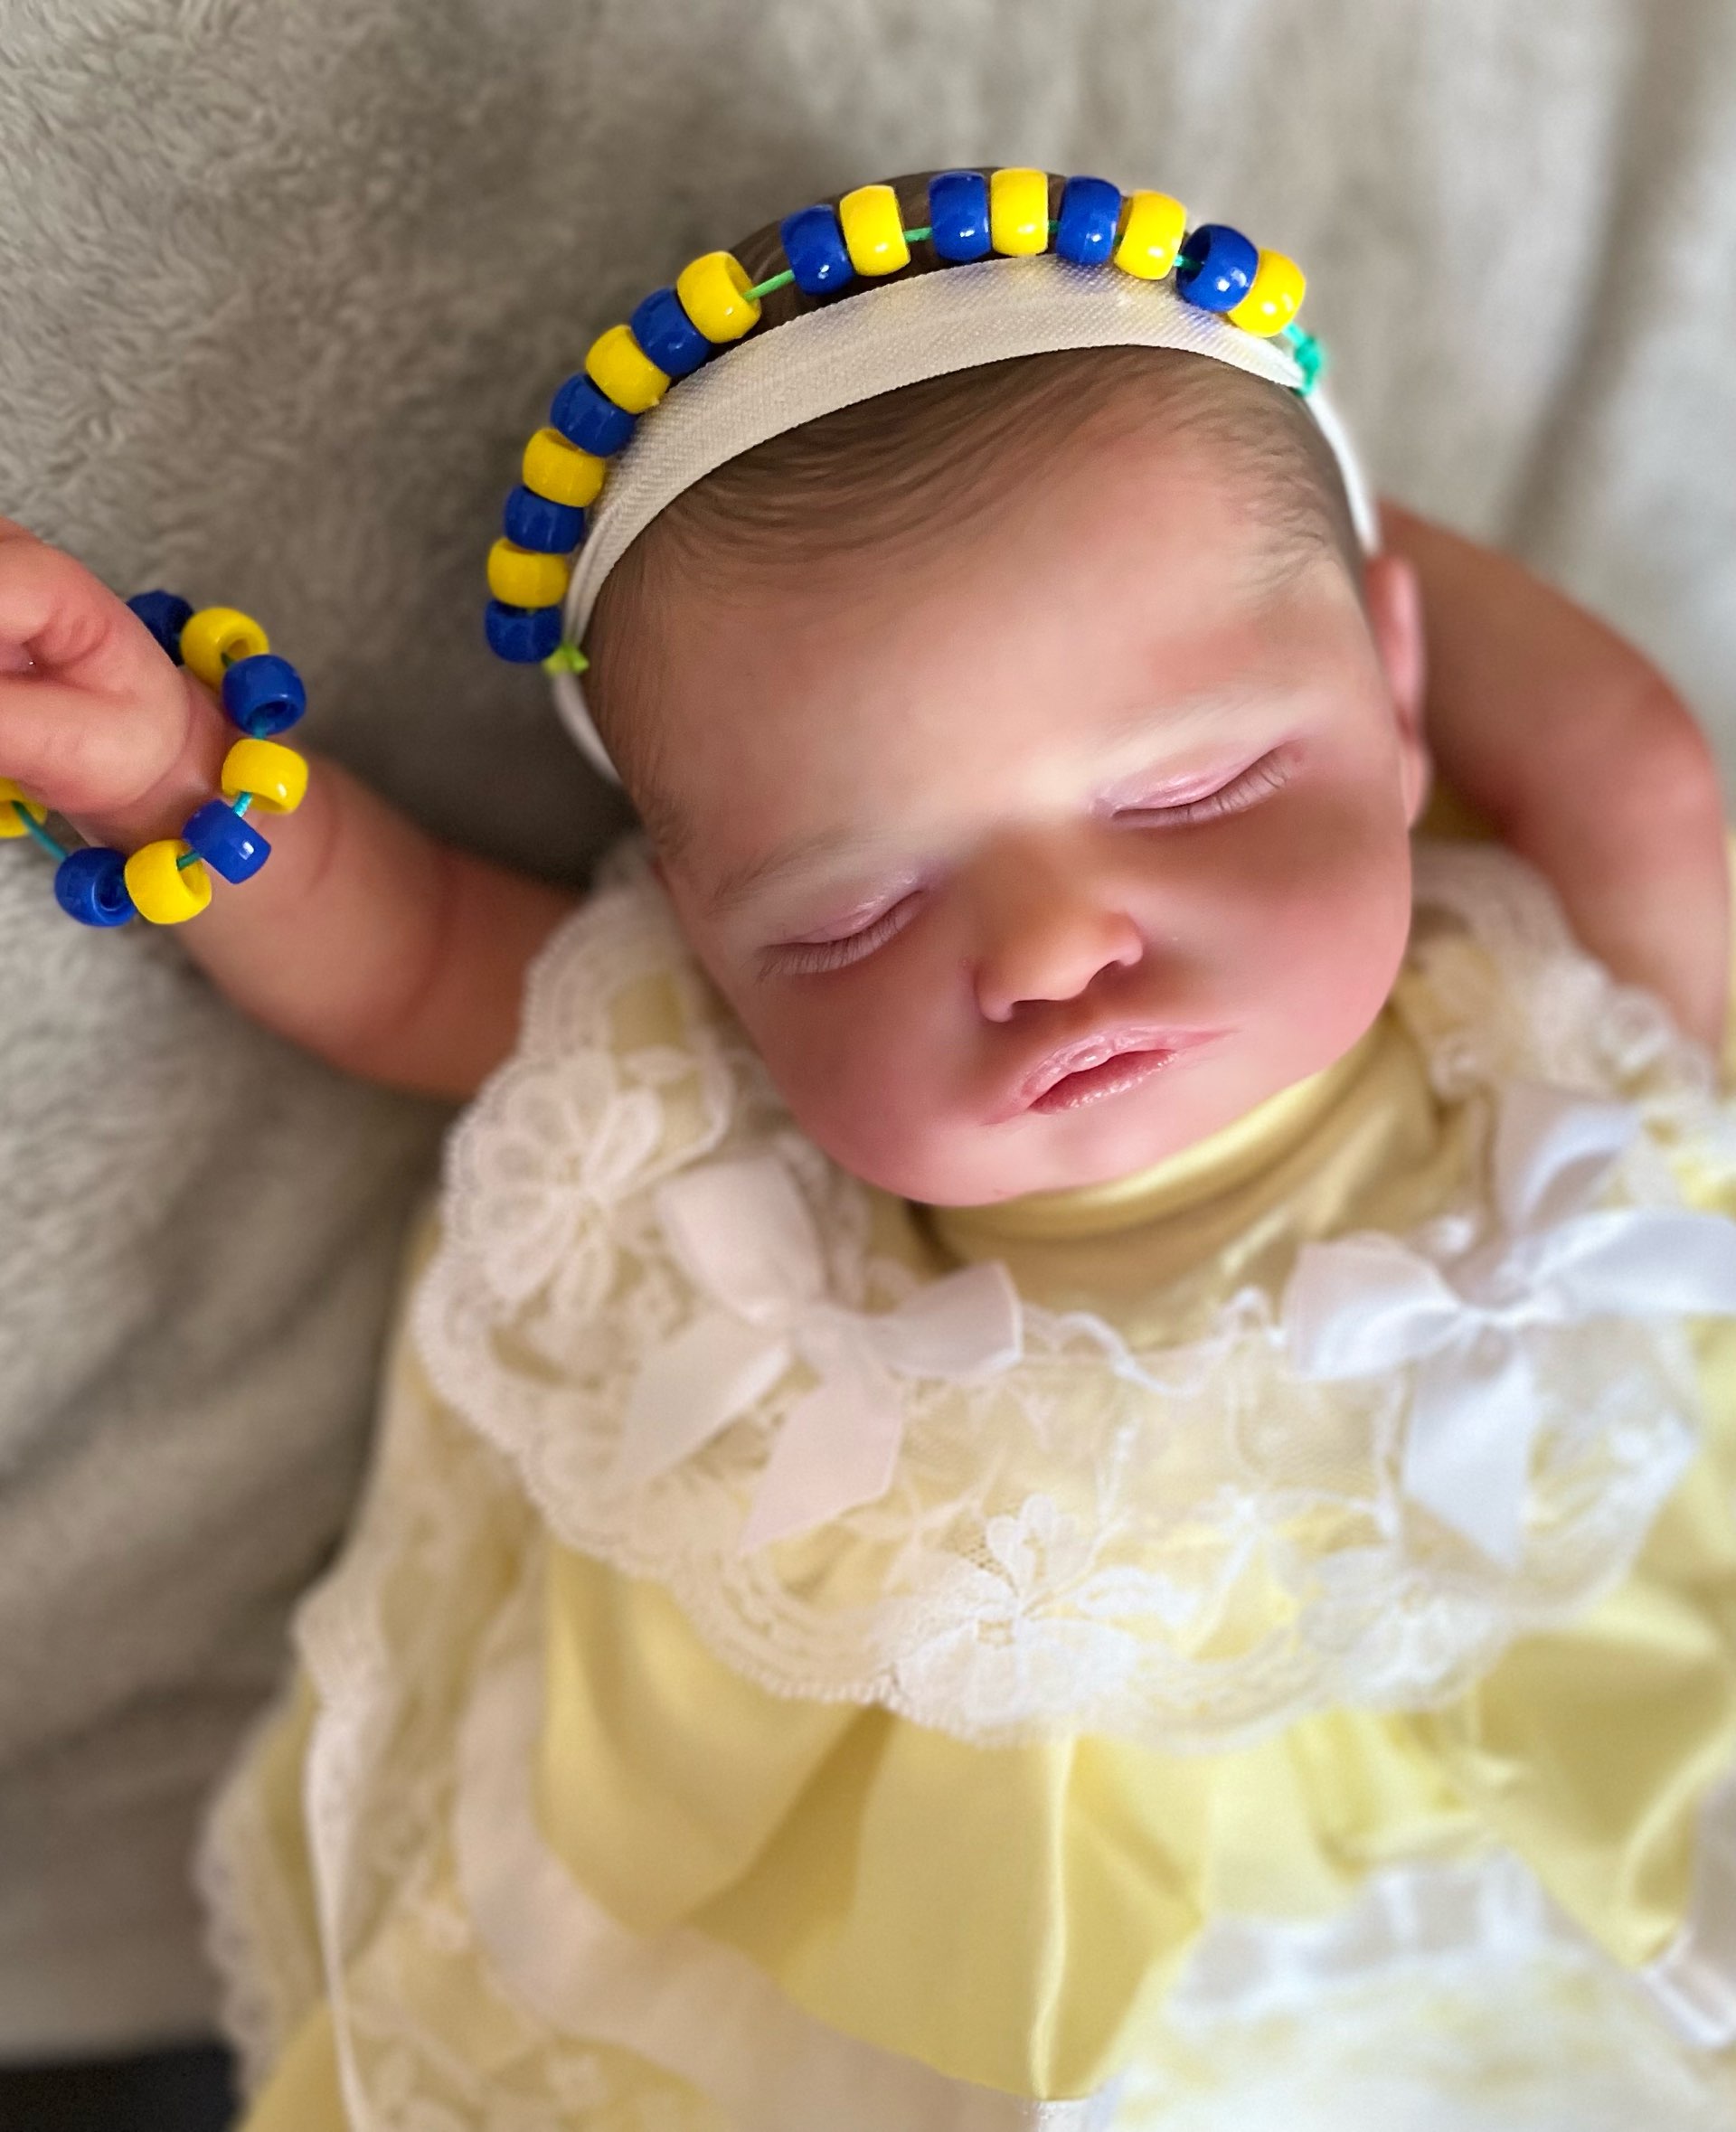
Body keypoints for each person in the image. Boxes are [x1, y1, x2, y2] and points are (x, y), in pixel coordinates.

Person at [4, 168, 1734, 2127]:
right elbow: (415, 965)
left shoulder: (1562, 1031)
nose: (1049, 950)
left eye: (1199, 786)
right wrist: (183, 784)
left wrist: (1279, 482)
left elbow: (1641, 768)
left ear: (1394, 697)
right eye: (853, 919)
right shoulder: (738, 1138)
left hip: (1582, 1853)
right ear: (703, 939)